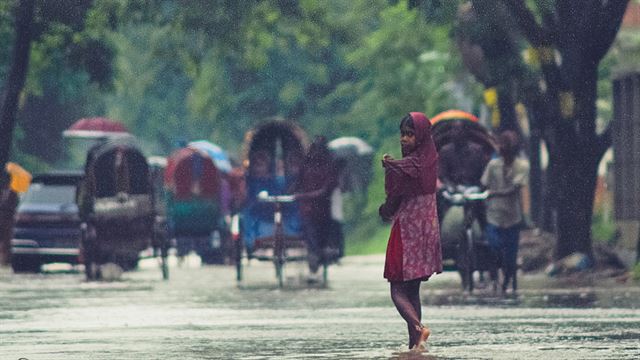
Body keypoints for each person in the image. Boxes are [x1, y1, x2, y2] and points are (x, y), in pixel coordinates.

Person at [379, 112, 442, 351]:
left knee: (396, 287)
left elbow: (394, 201)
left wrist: (384, 210)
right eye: (403, 134)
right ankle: (416, 345)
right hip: (427, 232)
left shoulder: (404, 168)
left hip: (407, 232)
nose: (404, 139)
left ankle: (418, 328)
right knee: (413, 289)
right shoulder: (429, 161)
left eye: (410, 134)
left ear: (421, 136)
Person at [481, 130, 529, 295]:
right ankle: (495, 278)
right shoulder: (493, 165)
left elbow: (514, 188)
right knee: (494, 248)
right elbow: (484, 183)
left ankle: (507, 282)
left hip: (512, 218)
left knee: (510, 257)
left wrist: (494, 193)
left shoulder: (522, 166)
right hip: (493, 215)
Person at [294, 136, 341, 279]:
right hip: (308, 210)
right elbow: (297, 184)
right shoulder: (306, 166)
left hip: (323, 211)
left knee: (322, 238)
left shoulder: (330, 168)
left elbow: (326, 190)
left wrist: (304, 196)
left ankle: (326, 254)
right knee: (311, 237)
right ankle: (313, 262)